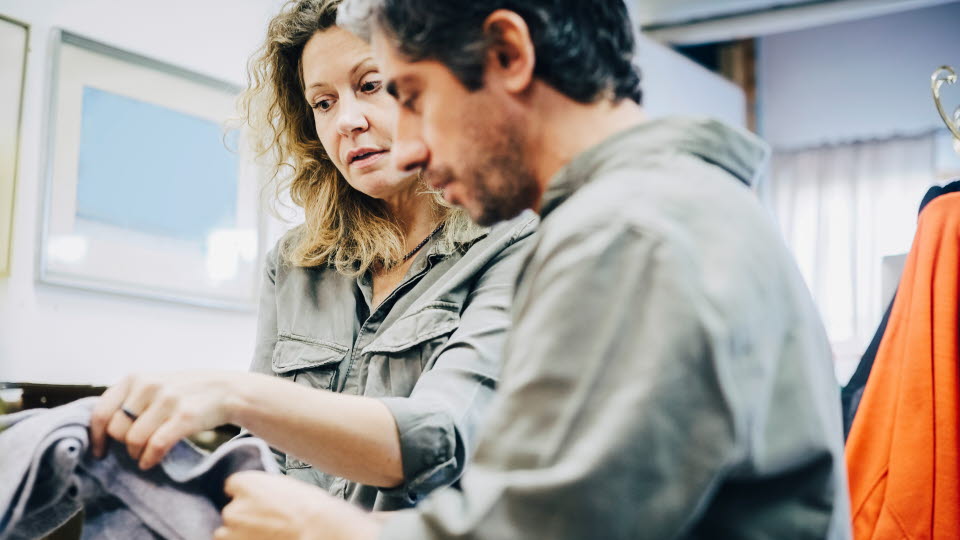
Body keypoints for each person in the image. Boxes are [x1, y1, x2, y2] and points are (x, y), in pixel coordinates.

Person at [214, 0, 855, 538]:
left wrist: (322, 529)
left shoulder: (632, 234)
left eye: (409, 95)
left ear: (507, 55)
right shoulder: (662, 211)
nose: (407, 146)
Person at [88, 0, 537, 513]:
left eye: (369, 85)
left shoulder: (512, 243)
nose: (347, 121)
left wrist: (232, 393)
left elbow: (441, 437)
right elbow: (262, 450)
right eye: (322, 103)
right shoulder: (296, 261)